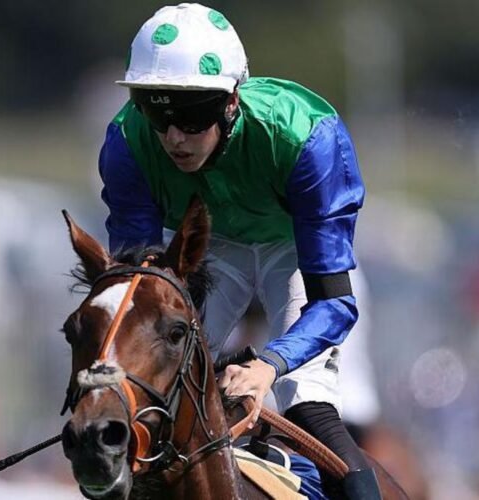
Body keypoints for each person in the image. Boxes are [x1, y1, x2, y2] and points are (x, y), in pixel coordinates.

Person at [97, 4, 380, 499]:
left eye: (191, 116)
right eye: (156, 113)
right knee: (149, 382)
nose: (173, 138)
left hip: (290, 246)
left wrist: (268, 365)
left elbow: (334, 303)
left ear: (231, 102)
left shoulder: (309, 137)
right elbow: (138, 290)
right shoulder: (126, 145)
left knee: (305, 405)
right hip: (214, 248)